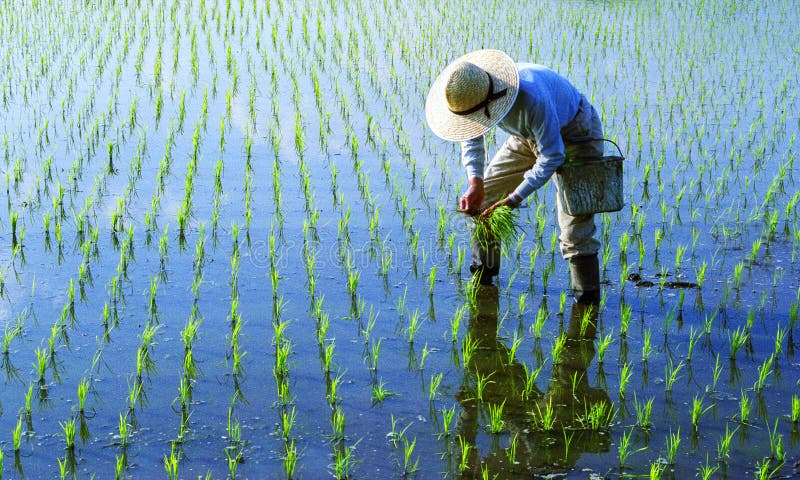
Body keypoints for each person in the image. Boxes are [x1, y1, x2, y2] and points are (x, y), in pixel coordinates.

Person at [425, 49, 604, 302]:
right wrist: (476, 182)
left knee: (575, 228)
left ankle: (586, 304)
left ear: (491, 101)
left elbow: (552, 156)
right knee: (484, 202)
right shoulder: (472, 96)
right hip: (526, 136)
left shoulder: (532, 97)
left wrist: (513, 200)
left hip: (577, 133)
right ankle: (483, 280)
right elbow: (471, 136)